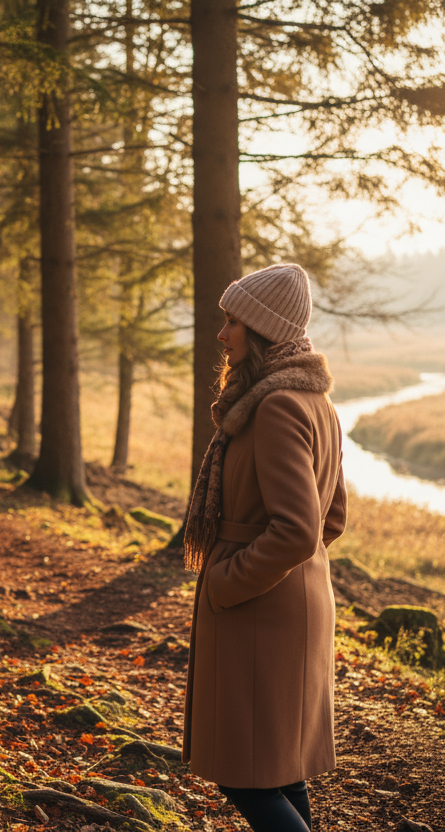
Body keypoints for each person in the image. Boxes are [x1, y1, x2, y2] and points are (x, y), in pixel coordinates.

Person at [181, 263, 348, 832]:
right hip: (288, 603)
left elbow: (299, 530)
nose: (222, 334)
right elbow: (333, 517)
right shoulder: (315, 401)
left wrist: (228, 581)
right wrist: (296, 575)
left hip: (259, 610)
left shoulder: (275, 406)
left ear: (264, 331)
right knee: (278, 769)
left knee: (245, 775)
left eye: (233, 322)